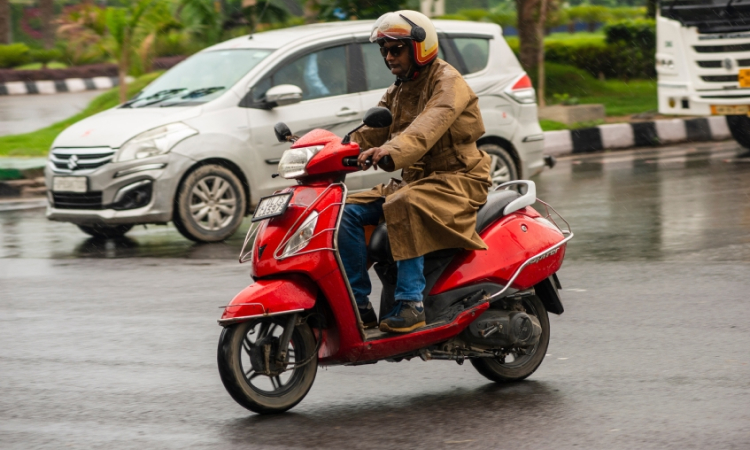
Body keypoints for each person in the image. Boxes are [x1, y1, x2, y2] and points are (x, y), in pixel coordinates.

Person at [338, 10, 491, 333]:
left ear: (420, 47)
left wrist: (390, 151)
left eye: (396, 49)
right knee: (343, 211)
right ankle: (357, 302)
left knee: (403, 203)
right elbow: (368, 132)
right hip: (416, 181)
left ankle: (411, 304)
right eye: (384, 51)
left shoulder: (448, 83)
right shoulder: (399, 90)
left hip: (458, 180)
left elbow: (426, 127)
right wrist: (327, 150)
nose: (389, 57)